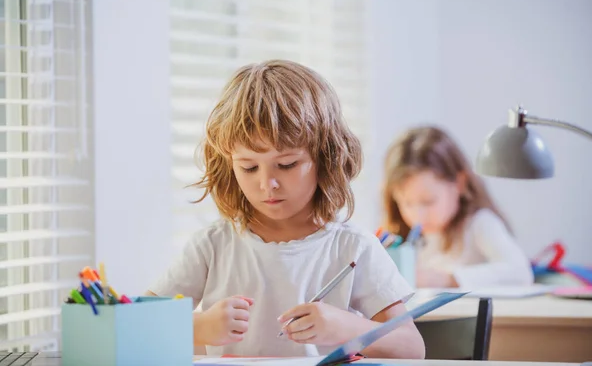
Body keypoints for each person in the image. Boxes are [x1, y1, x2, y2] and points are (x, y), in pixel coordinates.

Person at [146, 60, 425, 359]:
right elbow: (141, 325)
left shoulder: (352, 247)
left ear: (326, 157)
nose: (268, 184)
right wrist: (198, 327)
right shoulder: (212, 246)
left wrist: (347, 327)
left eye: (287, 164)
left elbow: (411, 348)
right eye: (249, 167)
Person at [381, 126, 534, 290]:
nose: (418, 215)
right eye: (407, 203)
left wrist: (448, 280)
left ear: (459, 184)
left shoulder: (479, 224)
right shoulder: (401, 239)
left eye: (428, 201)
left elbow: (520, 273)